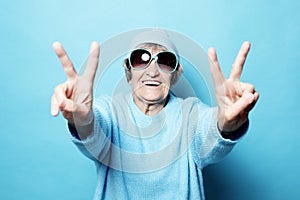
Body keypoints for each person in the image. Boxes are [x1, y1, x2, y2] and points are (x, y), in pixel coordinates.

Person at [51, 29, 259, 199]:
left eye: (165, 61)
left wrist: (228, 125)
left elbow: (210, 132)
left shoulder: (191, 115)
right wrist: (82, 120)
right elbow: (94, 132)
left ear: (175, 75)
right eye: (141, 60)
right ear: (128, 71)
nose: (152, 71)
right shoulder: (111, 113)